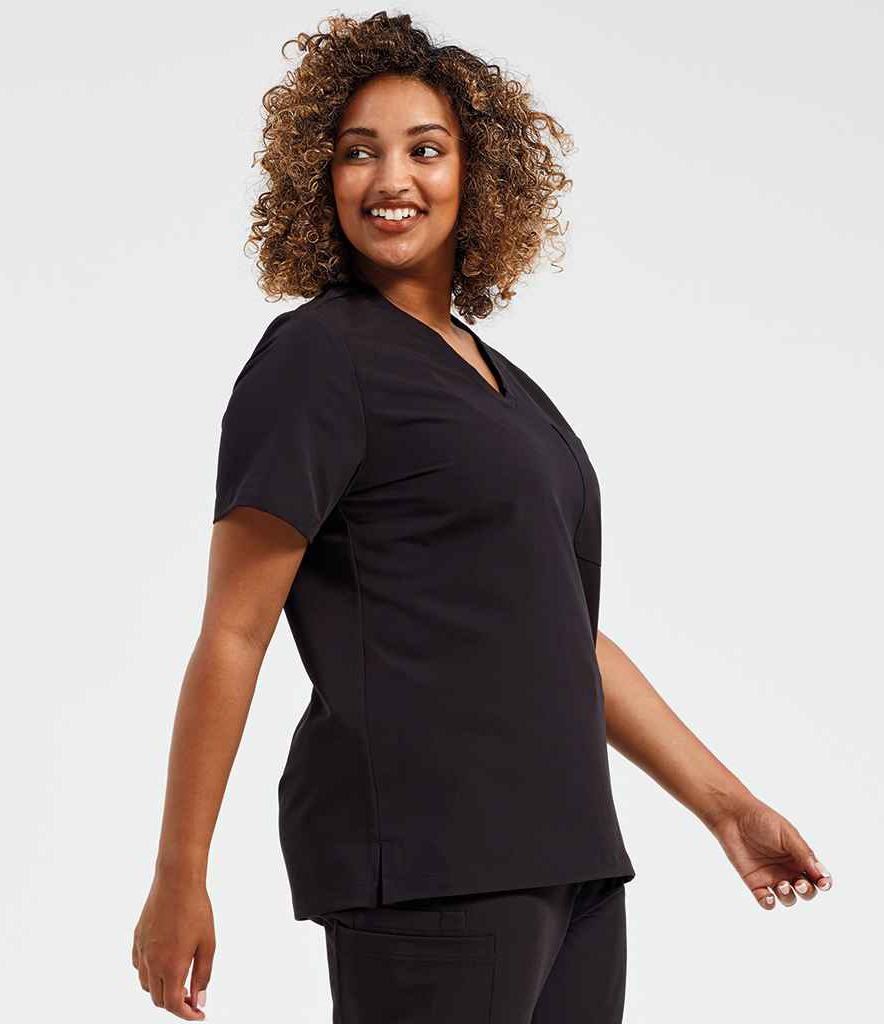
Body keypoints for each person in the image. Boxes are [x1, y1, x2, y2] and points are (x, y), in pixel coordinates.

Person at [131, 12, 833, 1023]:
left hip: (573, 864)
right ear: (319, 177)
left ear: (478, 173)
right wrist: (180, 872)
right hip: (432, 862)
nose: (391, 179)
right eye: (358, 152)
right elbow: (234, 631)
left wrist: (727, 807)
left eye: (425, 149)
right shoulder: (316, 359)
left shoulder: (510, 390)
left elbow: (566, 637)